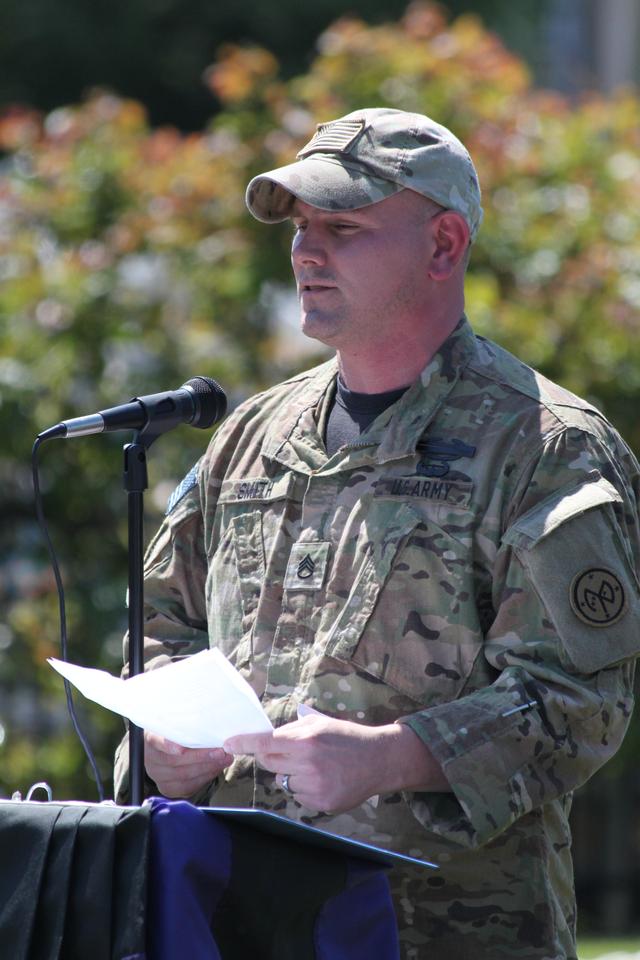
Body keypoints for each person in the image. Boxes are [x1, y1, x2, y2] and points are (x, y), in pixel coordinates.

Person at [114, 108, 640, 959]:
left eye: (344, 226)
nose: (307, 252)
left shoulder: (544, 446)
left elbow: (583, 703)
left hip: (444, 930)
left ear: (443, 245)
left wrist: (393, 756)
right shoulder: (252, 435)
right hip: (231, 917)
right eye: (301, 228)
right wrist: (158, 747)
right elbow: (162, 625)